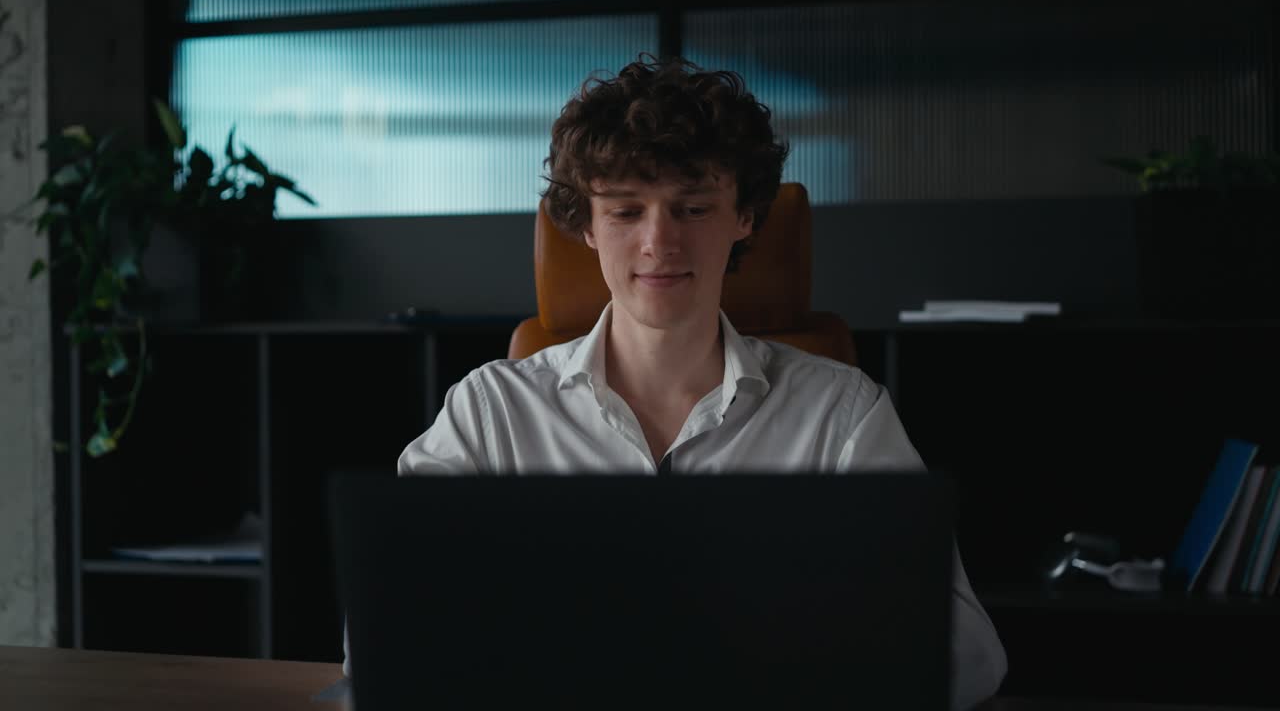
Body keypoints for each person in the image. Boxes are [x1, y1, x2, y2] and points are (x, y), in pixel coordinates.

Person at [370, 53, 1007, 710]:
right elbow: (384, 633)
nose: (659, 242)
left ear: (745, 217)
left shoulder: (840, 414)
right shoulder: (490, 411)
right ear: (585, 226)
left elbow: (968, 653)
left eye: (693, 207)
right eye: (624, 212)